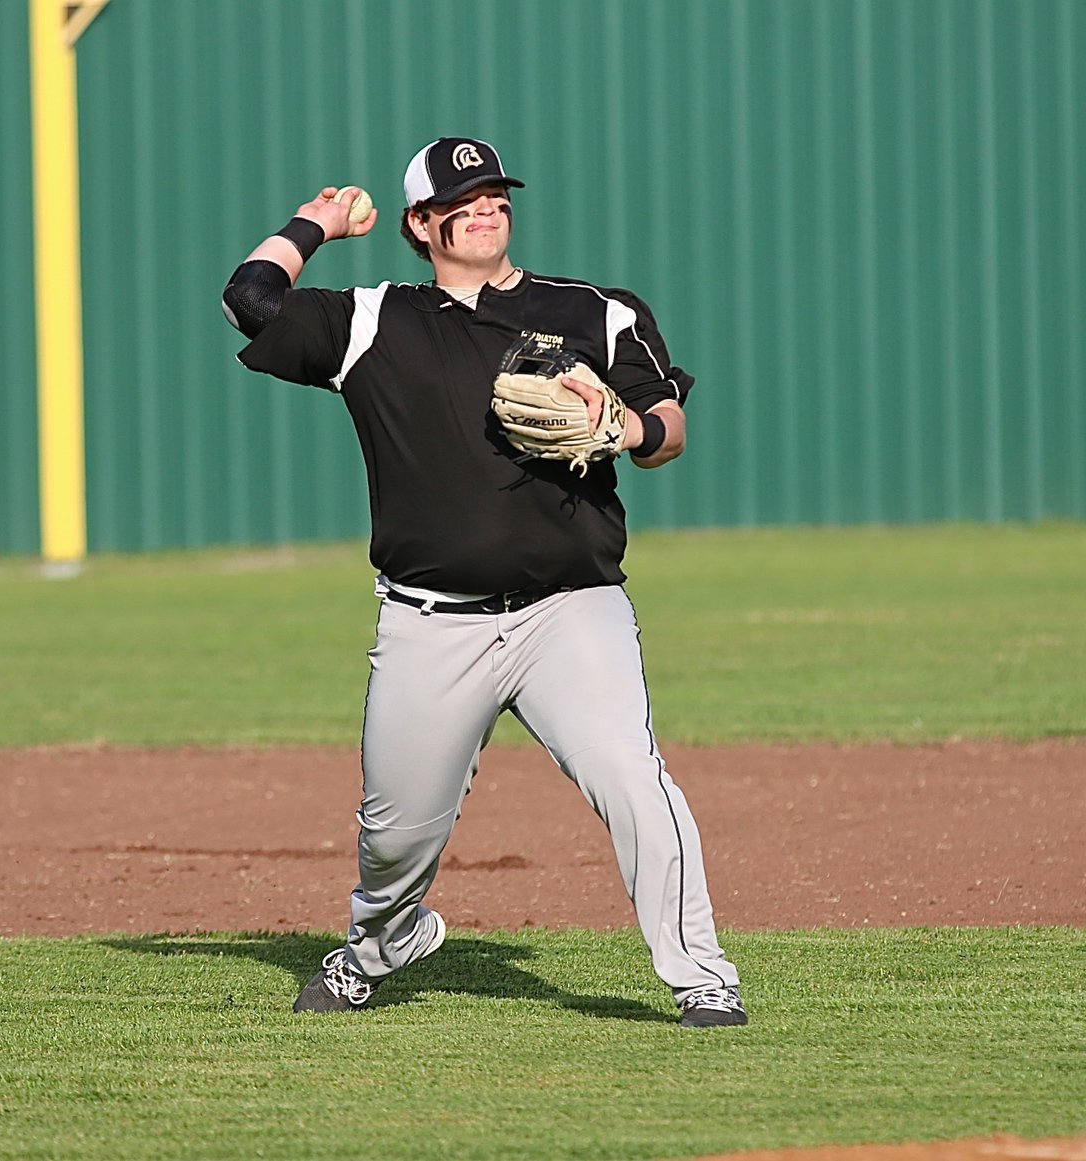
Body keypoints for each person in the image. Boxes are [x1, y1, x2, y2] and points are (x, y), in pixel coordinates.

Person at [221, 137, 746, 1028]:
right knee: (392, 841)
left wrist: (626, 427)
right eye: (463, 198)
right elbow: (251, 301)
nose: (487, 206)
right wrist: (318, 221)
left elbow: (670, 425)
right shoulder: (373, 320)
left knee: (633, 778)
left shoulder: (596, 311)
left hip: (569, 611)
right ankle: (382, 943)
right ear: (422, 225)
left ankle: (702, 973)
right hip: (432, 624)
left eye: (497, 191)